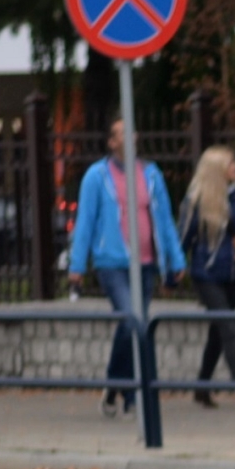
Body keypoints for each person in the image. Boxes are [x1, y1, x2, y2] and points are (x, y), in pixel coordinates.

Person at [65, 119, 187, 418]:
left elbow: (165, 220)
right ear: (112, 142)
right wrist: (77, 265)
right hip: (113, 263)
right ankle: (132, 395)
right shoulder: (97, 176)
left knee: (135, 324)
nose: (130, 137)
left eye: (132, 131)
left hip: (145, 263)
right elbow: (85, 222)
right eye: (122, 133)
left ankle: (113, 384)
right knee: (133, 320)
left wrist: (176, 259)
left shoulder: (150, 174)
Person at [179, 146, 235, 409]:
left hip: (233, 272)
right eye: (231, 164)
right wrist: (175, 268)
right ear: (217, 171)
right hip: (207, 273)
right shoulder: (196, 199)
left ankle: (201, 387)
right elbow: (183, 237)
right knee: (228, 327)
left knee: (218, 331)